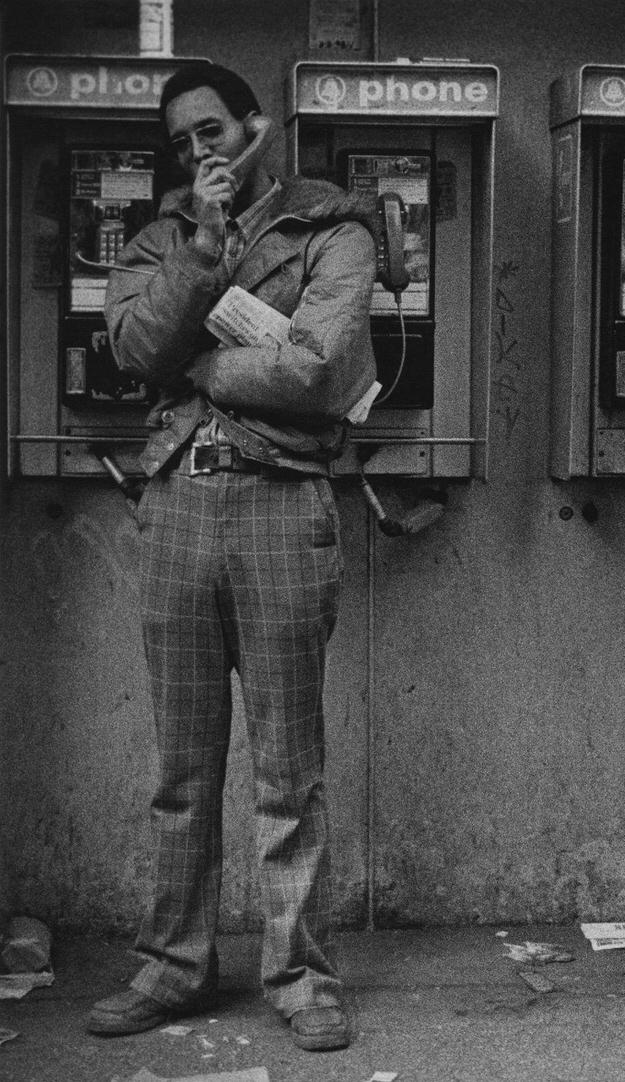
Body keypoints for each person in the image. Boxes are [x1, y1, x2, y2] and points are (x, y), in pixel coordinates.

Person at [86, 61, 377, 1052]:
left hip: (281, 502)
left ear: (255, 129)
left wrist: (203, 365)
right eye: (180, 144)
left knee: (288, 767)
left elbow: (319, 370)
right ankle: (175, 963)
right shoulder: (164, 239)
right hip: (175, 500)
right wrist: (205, 243)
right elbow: (130, 346)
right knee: (182, 764)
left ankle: (299, 975)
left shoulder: (333, 229)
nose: (198, 152)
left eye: (211, 131)